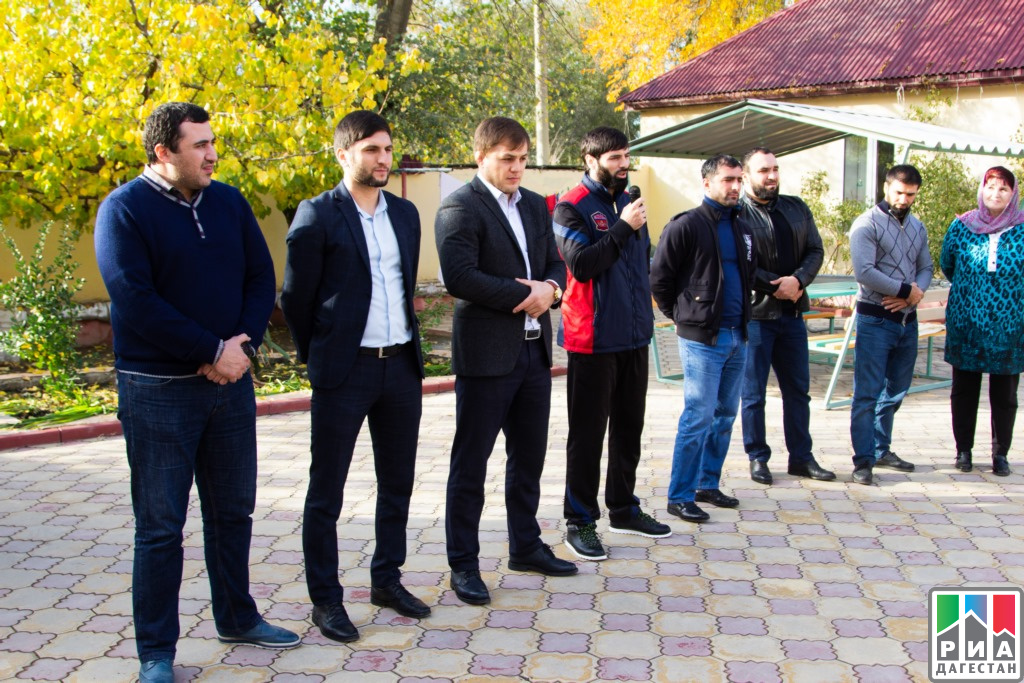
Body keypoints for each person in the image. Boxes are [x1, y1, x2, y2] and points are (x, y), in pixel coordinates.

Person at [94, 102, 298, 683]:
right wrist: (210, 350)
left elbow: (260, 277)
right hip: (157, 391)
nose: (212, 155)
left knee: (232, 512)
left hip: (230, 387)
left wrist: (241, 348)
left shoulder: (229, 202)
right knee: (161, 527)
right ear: (164, 152)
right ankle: (156, 653)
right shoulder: (123, 210)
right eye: (199, 145)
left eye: (213, 143)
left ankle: (237, 618)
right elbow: (134, 298)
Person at [280, 111, 427, 643]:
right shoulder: (317, 214)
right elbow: (295, 298)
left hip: (401, 366)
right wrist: (320, 353)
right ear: (343, 154)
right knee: (328, 490)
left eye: (387, 149)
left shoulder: (405, 214)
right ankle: (326, 600)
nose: (383, 159)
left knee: (398, 483)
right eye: (371, 150)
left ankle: (386, 580)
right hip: (345, 371)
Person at [435, 116, 576, 605]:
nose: (517, 167)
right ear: (481, 157)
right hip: (486, 357)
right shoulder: (460, 206)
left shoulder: (535, 205)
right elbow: (460, 277)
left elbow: (555, 262)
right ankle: (464, 564)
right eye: (507, 158)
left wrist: (551, 287)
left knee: (529, 458)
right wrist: (528, 295)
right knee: (471, 464)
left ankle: (526, 546)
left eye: (523, 159)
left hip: (533, 353)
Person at [552, 127, 671, 561]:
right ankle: (579, 521)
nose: (624, 165)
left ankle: (623, 508)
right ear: (591, 159)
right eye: (614, 158)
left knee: (629, 429)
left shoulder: (631, 203)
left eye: (626, 156)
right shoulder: (571, 207)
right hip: (593, 340)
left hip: (634, 335)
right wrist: (622, 228)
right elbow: (582, 266)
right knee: (587, 436)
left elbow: (641, 263)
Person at [650, 154, 757, 523]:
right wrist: (683, 317)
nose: (735, 186)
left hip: (739, 335)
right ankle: (679, 496)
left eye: (739, 179)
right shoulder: (686, 225)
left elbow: (748, 275)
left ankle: (707, 484)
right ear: (707, 182)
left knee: (725, 415)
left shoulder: (743, 227)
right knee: (698, 416)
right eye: (728, 179)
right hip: (702, 340)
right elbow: (659, 279)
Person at [738, 147, 835, 485]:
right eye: (763, 170)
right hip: (756, 316)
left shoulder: (796, 208)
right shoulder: (736, 214)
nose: (772, 176)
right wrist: (774, 286)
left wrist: (798, 281)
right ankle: (757, 457)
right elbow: (739, 263)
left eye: (775, 169)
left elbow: (815, 250)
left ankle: (801, 458)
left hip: (792, 314)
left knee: (798, 392)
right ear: (746, 176)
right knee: (753, 394)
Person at [849, 164, 933, 485]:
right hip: (875, 319)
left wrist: (915, 293)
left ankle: (881, 449)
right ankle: (863, 460)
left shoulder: (917, 226)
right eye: (899, 192)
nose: (903, 199)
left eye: (910, 194)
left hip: (907, 321)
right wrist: (904, 291)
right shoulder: (866, 224)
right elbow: (864, 271)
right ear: (886, 187)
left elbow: (926, 266)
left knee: (896, 390)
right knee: (867, 394)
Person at [940, 165, 1024, 476]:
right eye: (990, 187)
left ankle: (1000, 454)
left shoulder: (1022, 227)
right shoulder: (962, 226)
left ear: (1013, 193)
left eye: (1003, 188)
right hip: (967, 322)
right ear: (981, 189)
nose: (995, 194)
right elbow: (948, 264)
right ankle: (963, 450)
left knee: (1005, 394)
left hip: (1010, 326)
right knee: (964, 389)